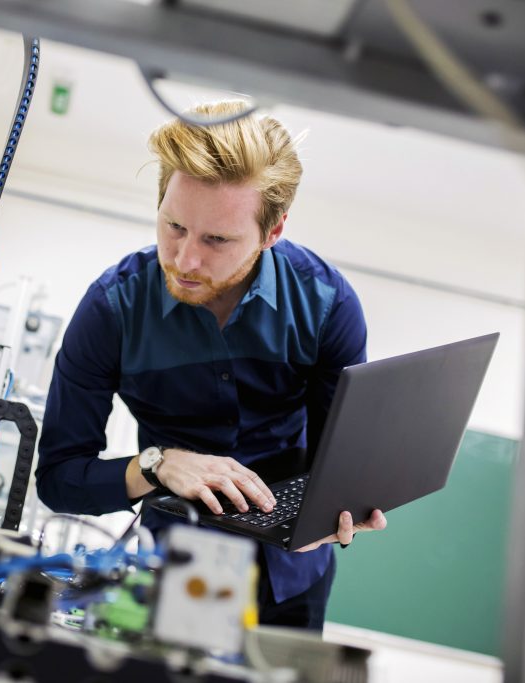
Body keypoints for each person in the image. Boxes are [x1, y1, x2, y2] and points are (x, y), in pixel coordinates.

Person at [35, 101, 386, 631]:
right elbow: (59, 480)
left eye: (217, 239)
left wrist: (346, 502)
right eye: (173, 225)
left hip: (294, 575)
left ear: (273, 231)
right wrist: (156, 464)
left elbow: (337, 457)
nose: (184, 259)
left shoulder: (326, 304)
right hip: (169, 574)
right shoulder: (112, 311)